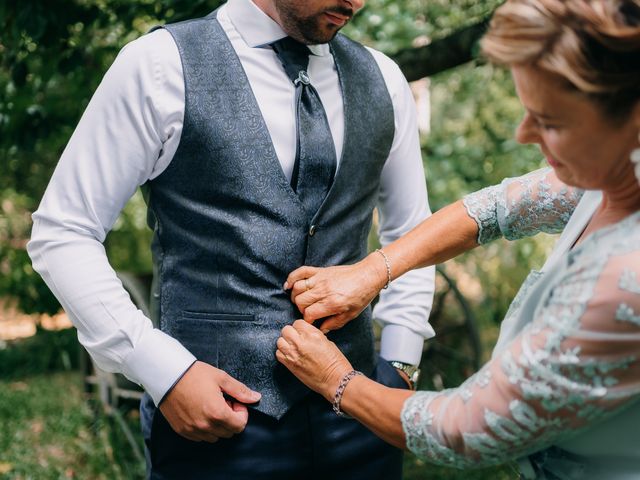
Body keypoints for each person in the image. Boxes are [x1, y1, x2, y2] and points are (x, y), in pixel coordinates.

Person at [27, 0, 436, 478]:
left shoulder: (384, 78)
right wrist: (165, 372)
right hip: (218, 425)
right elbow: (64, 229)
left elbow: (411, 232)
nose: (357, 1)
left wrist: (401, 366)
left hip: (364, 417)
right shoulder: (159, 65)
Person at [276, 0, 640, 478]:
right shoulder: (611, 177)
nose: (524, 133)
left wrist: (338, 381)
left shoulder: (624, 278)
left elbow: (469, 428)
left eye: (550, 122)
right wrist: (371, 271)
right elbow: (491, 211)